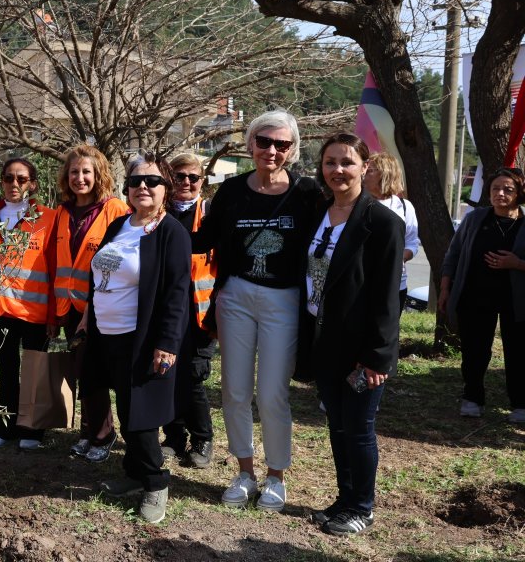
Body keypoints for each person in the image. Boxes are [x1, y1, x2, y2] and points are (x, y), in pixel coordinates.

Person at [193, 110, 320, 512]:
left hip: (284, 299)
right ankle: (244, 472)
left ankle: (276, 476)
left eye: (282, 144)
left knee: (271, 393)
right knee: (234, 390)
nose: (272, 150)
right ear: (250, 144)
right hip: (236, 295)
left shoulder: (308, 192)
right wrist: (154, 222)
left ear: (292, 149)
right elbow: (203, 240)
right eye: (264, 141)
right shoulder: (231, 191)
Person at [303, 133, 403, 535]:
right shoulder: (319, 212)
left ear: (365, 166)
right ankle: (344, 499)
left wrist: (377, 357)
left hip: (362, 348)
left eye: (346, 162)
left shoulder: (382, 223)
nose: (337, 170)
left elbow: (387, 297)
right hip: (324, 340)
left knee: (359, 429)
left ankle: (362, 507)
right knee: (338, 425)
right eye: (330, 162)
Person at [91, 154, 191, 524]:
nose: (143, 187)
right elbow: (99, 275)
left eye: (152, 181)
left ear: (166, 188)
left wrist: (167, 343)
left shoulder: (171, 232)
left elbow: (177, 293)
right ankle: (134, 474)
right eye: (135, 181)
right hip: (108, 333)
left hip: (142, 337)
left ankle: (155, 481)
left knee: (142, 413)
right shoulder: (120, 224)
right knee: (126, 407)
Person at [0, 158, 58, 449]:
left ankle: (33, 430)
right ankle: (7, 426)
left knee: (35, 371)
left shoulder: (48, 218)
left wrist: (53, 315)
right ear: (1, 182)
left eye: (21, 179)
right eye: (9, 178)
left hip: (36, 310)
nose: (14, 184)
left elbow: (54, 267)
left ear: (32, 184)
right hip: (1, 309)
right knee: (7, 368)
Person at [53, 144, 128, 462]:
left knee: (95, 372)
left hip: (101, 307)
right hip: (68, 308)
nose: (80, 178)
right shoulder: (62, 212)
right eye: (74, 172)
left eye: (86, 172)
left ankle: (103, 435)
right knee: (82, 372)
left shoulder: (115, 210)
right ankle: (88, 432)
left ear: (99, 175)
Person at [439, 167, 525, 424]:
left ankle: (520, 403)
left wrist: (516, 264)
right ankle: (472, 397)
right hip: (475, 296)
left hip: (517, 300)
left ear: (519, 193)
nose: (501, 194)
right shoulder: (475, 219)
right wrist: (445, 289)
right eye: (495, 188)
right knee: (474, 350)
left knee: (518, 352)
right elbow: (453, 254)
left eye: (508, 189)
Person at [161, 152, 217, 469]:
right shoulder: (158, 213)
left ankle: (202, 438)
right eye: (179, 176)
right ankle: (173, 437)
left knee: (193, 377)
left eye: (192, 177)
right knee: (165, 373)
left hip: (200, 315)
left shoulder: (210, 214)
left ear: (201, 181)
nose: (186, 182)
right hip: (166, 312)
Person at [364, 152, 419, 309]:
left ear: (385, 173)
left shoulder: (404, 206)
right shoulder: (357, 205)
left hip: (395, 284)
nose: (363, 174)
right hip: (362, 283)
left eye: (369, 170)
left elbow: (412, 243)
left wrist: (399, 258)